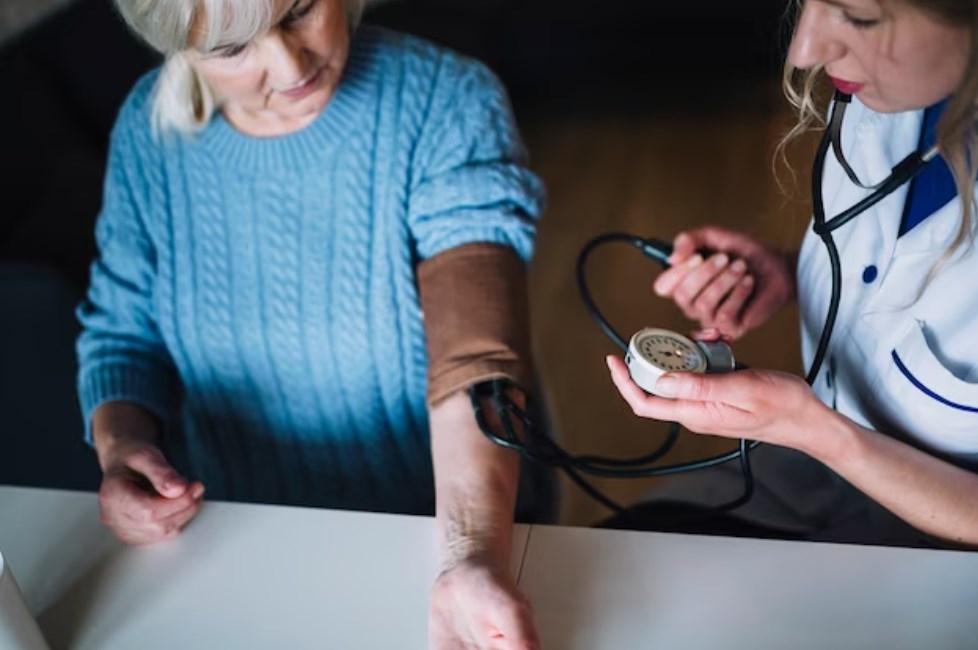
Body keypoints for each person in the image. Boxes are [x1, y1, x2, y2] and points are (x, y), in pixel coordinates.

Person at [77, 0, 549, 647]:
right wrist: (122, 447)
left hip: (441, 534)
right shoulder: (147, 133)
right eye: (232, 48)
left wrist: (468, 555)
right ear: (180, 49)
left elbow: (474, 354)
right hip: (239, 542)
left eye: (299, 11)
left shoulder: (446, 101)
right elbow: (124, 334)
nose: (289, 62)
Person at [607, 0, 978, 548]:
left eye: (860, 18)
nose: (804, 51)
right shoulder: (890, 91)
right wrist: (790, 273)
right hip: (804, 472)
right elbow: (905, 272)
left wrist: (816, 432)